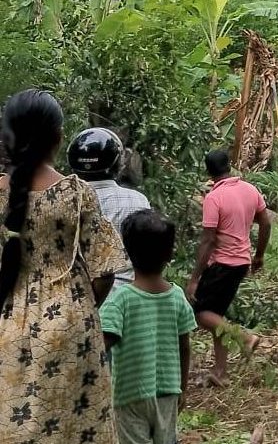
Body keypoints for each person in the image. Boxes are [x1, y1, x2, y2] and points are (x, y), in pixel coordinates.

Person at [0, 89, 128, 444]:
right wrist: (78, 306)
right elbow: (105, 269)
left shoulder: (1, 192)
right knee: (78, 424)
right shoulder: (76, 193)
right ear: (58, 137)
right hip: (73, 321)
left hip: (10, 318)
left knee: (19, 422)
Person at [100, 210, 196, 444]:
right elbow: (185, 346)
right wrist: (182, 387)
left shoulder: (120, 300)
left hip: (129, 395)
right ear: (169, 255)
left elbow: (101, 345)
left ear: (128, 253)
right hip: (168, 391)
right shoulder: (177, 297)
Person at [187, 150, 271, 387]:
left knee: (201, 313)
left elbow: (208, 241)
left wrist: (195, 278)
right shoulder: (249, 189)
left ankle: (245, 338)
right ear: (230, 166)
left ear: (208, 172)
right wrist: (260, 254)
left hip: (223, 265)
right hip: (241, 263)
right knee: (216, 317)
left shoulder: (214, 198)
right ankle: (221, 372)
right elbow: (265, 222)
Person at [68, 127, 150, 294]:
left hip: (75, 299)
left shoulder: (61, 201)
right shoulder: (138, 201)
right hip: (126, 296)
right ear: (117, 164)